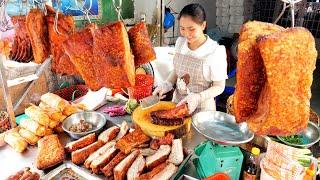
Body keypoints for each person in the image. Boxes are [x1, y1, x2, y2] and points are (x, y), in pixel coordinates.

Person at [153, 3, 228, 114]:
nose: (186, 34)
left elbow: (219, 86)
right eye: (182, 28)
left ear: (203, 25)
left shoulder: (215, 51)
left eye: (191, 29)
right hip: (177, 106)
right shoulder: (180, 43)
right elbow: (177, 70)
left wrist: (198, 97)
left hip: (202, 111)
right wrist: (167, 83)